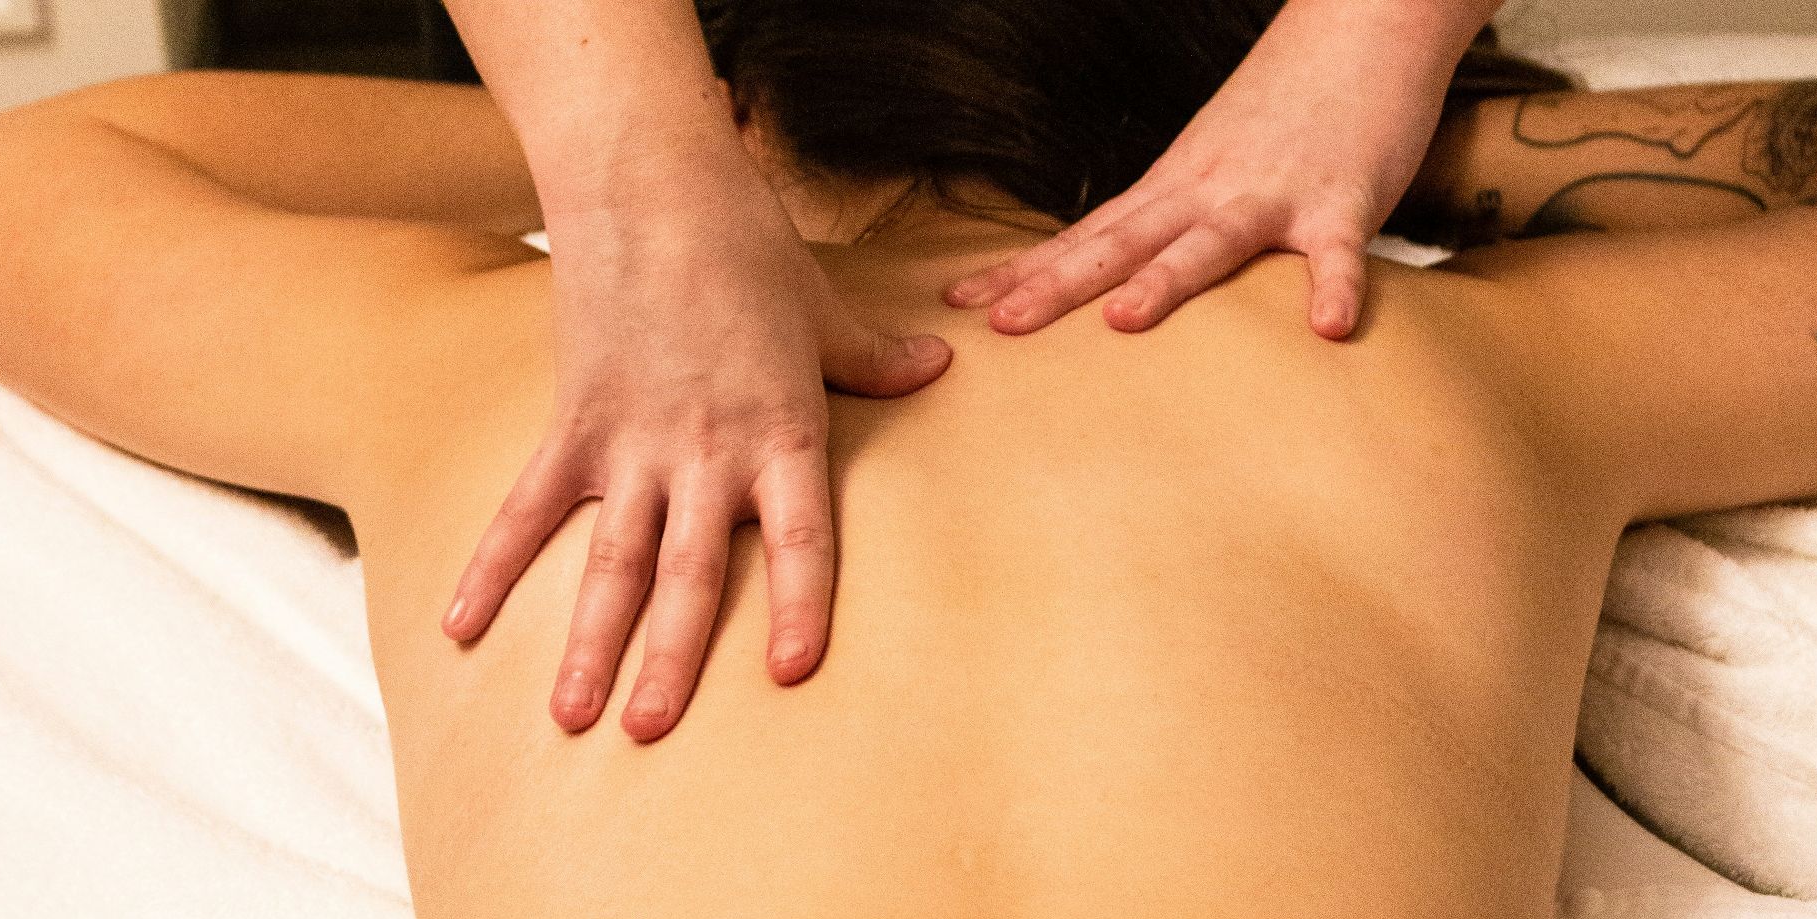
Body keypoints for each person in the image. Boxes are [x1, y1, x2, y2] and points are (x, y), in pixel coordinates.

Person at [0, 9, 1817, 919]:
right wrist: (1435, 139)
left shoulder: (483, 361)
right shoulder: (1443, 363)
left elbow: (8, 179)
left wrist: (674, 161)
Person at [434, 0, 1509, 741]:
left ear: (745, 111)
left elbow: (255, 138)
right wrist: (1387, 71)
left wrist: (631, 158)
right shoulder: (1435, 363)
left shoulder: (470, 356)